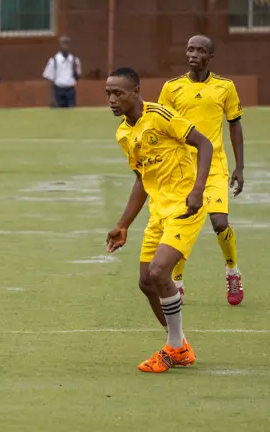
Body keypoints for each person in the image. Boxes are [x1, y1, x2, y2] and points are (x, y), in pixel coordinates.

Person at [105, 67, 213, 373]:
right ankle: (180, 345)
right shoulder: (124, 133)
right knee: (146, 281)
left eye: (118, 93)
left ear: (136, 92)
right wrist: (123, 223)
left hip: (185, 206)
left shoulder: (160, 116)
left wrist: (198, 190)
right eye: (108, 94)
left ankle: (175, 347)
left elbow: (204, 144)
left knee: (159, 271)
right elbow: (141, 179)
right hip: (159, 211)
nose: (112, 100)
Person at [157, 35, 245, 305]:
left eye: (200, 50)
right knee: (181, 223)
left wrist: (240, 166)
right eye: (190, 49)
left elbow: (234, 124)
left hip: (215, 166)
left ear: (210, 57)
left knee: (220, 223)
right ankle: (178, 282)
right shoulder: (171, 88)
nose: (193, 54)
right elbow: (162, 128)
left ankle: (232, 272)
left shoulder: (225, 87)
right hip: (183, 167)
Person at [42, 35, 81, 108]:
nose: (66, 46)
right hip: (58, 90)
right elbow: (50, 80)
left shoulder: (75, 60)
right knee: (59, 113)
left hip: (70, 90)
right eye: (64, 43)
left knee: (72, 113)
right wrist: (52, 98)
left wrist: (75, 70)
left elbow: (77, 78)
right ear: (60, 45)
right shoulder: (54, 60)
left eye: (68, 43)